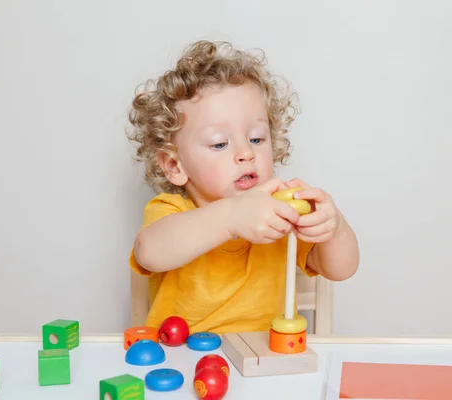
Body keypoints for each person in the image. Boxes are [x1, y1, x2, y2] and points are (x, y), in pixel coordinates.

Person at [126, 40, 359, 334]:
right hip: (186, 362)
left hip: (266, 358)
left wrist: (334, 229)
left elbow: (341, 270)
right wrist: (232, 217)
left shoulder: (281, 212)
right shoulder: (171, 211)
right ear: (175, 166)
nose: (246, 153)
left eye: (257, 139)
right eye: (220, 143)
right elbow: (150, 252)